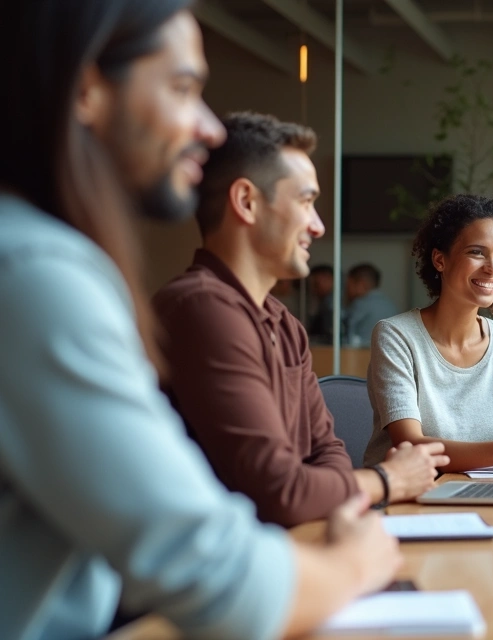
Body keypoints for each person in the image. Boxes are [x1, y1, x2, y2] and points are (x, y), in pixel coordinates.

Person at [0, 3, 399, 638]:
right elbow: (222, 577)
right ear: (86, 89)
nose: (210, 129)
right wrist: (358, 560)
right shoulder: (37, 275)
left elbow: (313, 467)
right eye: (183, 88)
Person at [155, 111, 448, 528]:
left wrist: (332, 487)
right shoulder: (202, 310)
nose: (318, 226)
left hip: (297, 549)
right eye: (306, 202)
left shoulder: (284, 322)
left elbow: (327, 451)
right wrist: (388, 479)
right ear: (247, 202)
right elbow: (280, 492)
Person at [363, 194, 493, 471]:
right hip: (408, 499)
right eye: (476, 252)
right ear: (440, 260)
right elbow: (411, 447)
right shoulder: (396, 336)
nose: (492, 268)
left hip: (484, 494)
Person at [345, 262, 400, 345]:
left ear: (361, 284)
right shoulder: (390, 304)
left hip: (361, 353)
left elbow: (346, 334)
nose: (347, 291)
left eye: (349, 286)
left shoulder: (360, 303)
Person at [308, 263, 336, 342]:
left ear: (330, 279)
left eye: (316, 284)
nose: (313, 289)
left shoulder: (332, 305)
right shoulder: (323, 303)